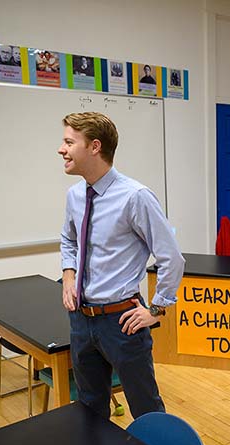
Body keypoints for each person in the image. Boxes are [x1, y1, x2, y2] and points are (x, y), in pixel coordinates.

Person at [59, 112, 184, 420]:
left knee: (145, 410)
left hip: (122, 321)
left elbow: (171, 257)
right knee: (89, 409)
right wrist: (68, 275)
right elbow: (69, 240)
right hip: (81, 320)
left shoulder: (135, 197)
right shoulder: (75, 195)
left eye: (69, 142)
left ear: (94, 147)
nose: (61, 150)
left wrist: (156, 310)